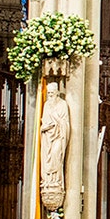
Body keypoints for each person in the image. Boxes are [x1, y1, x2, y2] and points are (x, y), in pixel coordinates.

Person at [39, 81, 70, 212]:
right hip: (47, 139)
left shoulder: (63, 104)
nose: (50, 95)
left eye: (52, 93)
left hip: (58, 137)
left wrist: (57, 122)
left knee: (57, 156)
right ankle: (48, 182)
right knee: (47, 159)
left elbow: (65, 124)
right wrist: (44, 127)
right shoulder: (46, 105)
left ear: (57, 93)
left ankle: (55, 181)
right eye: (49, 93)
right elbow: (44, 122)